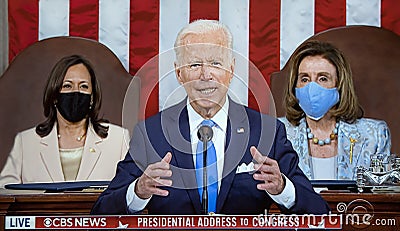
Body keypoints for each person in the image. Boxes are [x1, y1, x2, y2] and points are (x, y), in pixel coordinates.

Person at [91, 20, 329, 215]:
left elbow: (320, 212)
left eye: (216, 63)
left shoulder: (266, 130)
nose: (205, 75)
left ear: (232, 69)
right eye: (194, 64)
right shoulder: (151, 133)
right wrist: (139, 191)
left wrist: (282, 188)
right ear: (179, 73)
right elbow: (101, 212)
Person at [0, 55, 130, 187]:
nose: (76, 92)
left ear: (92, 98)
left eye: (84, 86)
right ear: (55, 95)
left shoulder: (118, 139)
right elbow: (5, 193)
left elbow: (130, 193)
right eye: (67, 86)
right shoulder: (26, 142)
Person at [279, 40, 391, 180]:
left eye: (323, 78)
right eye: (305, 79)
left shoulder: (375, 136)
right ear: (295, 86)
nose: (312, 88)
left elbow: (381, 196)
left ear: (339, 85)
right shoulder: (278, 133)